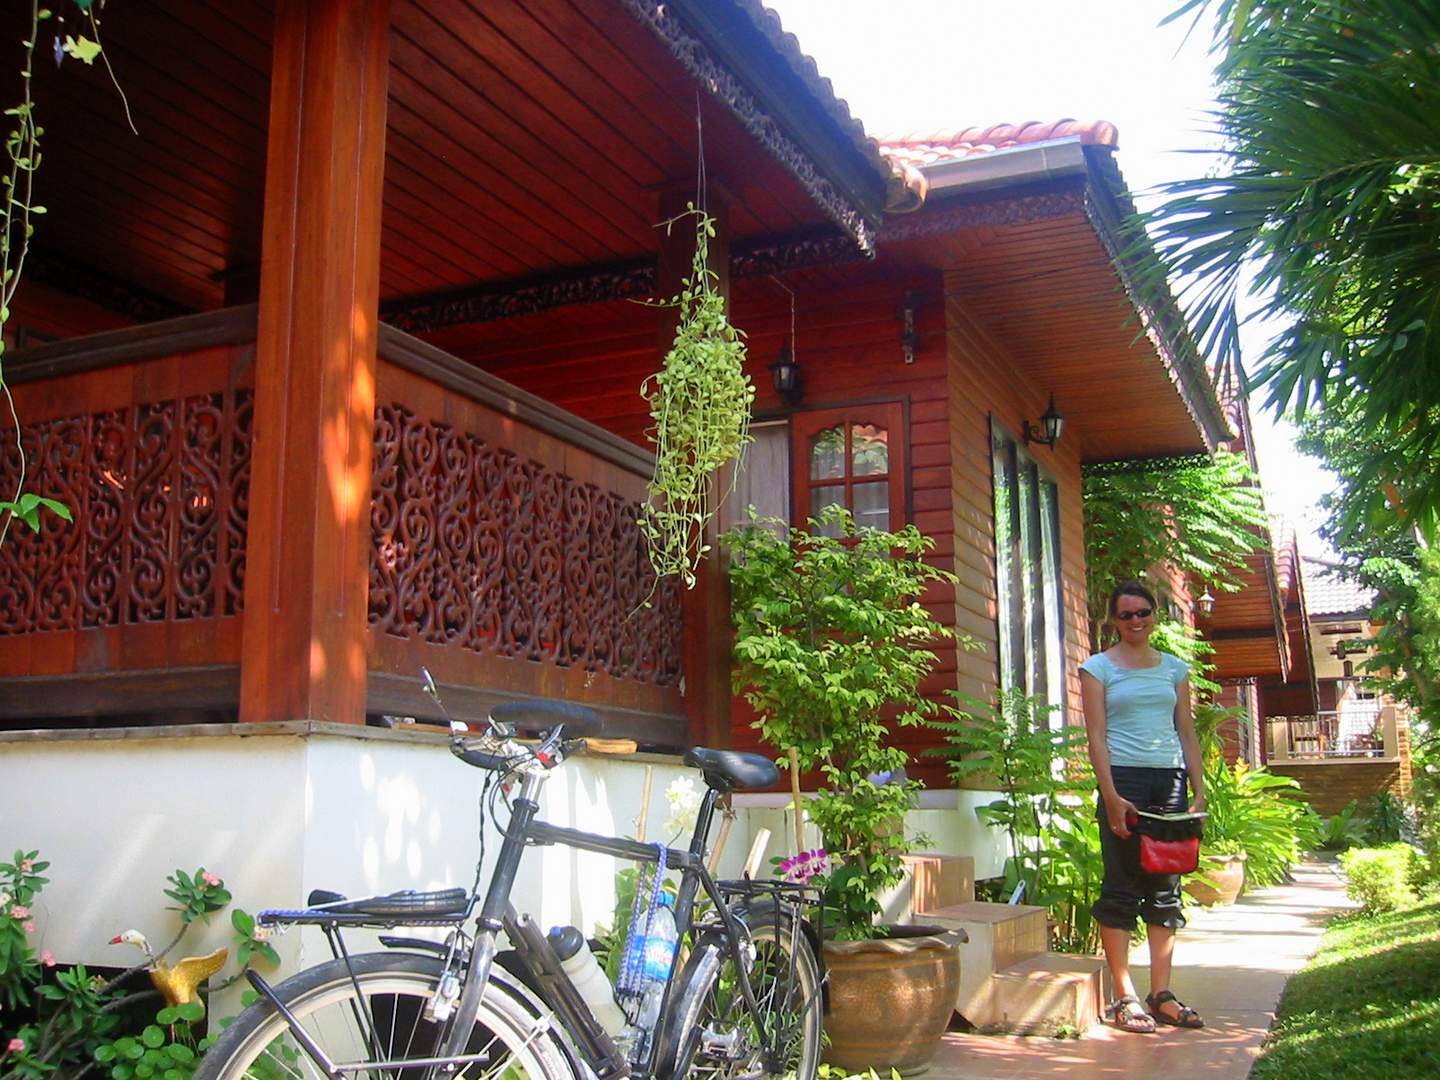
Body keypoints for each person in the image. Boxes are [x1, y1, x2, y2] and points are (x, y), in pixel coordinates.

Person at [1080, 580, 1207, 1032]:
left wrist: (1198, 789)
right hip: (1124, 780)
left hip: (1169, 782)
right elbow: (1096, 736)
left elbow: (1186, 731)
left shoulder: (1174, 668)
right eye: (1126, 615)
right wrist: (1110, 795)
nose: (1136, 621)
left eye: (1143, 613)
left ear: (1154, 615)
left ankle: (1161, 995)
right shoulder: (1097, 668)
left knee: (1165, 886)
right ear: (1114, 621)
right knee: (1121, 886)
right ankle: (1124, 997)